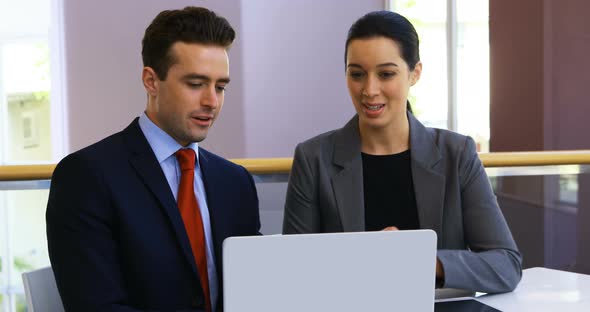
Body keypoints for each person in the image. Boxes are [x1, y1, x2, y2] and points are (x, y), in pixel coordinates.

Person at [282, 10, 522, 293]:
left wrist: (421, 261)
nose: (370, 90)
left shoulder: (457, 154)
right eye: (357, 74)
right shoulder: (313, 159)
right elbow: (293, 271)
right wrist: (363, 259)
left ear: (415, 73)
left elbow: (505, 265)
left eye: (386, 74)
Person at [46, 7, 260, 311]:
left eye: (220, 86)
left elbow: (255, 294)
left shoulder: (235, 182)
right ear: (151, 81)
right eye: (196, 84)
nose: (212, 101)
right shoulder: (86, 177)